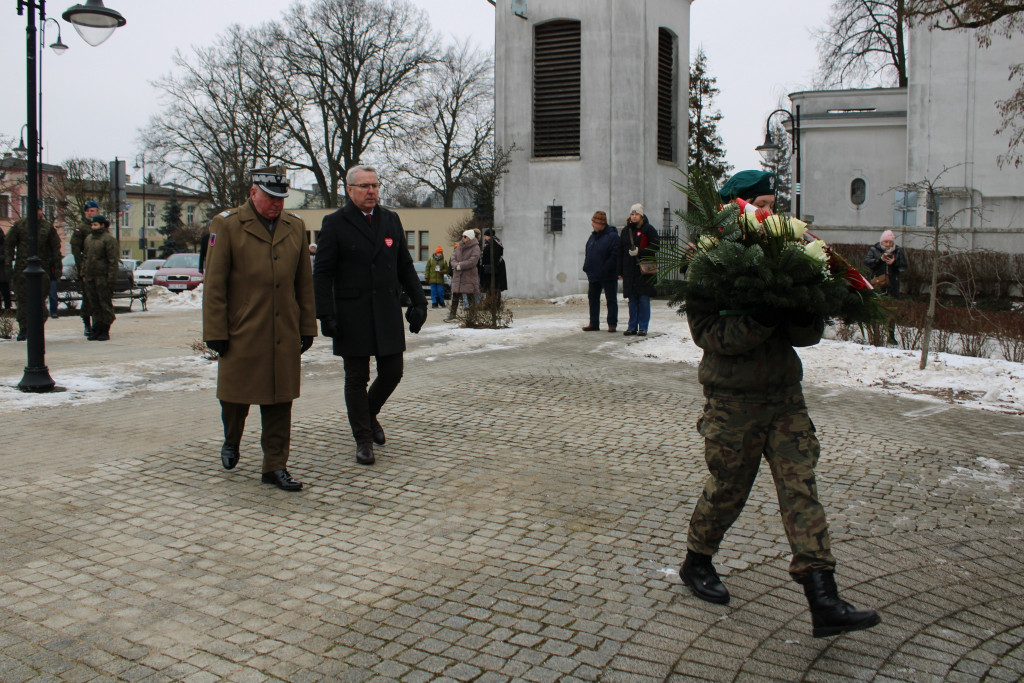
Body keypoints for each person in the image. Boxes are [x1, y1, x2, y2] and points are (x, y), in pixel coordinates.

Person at [678, 169, 880, 639]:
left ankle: (822, 597)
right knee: (729, 489)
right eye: (761, 205)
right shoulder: (710, 264)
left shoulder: (789, 256)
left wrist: (804, 309)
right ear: (737, 209)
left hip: (784, 397)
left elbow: (805, 338)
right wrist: (760, 318)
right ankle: (696, 561)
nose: (770, 214)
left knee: (800, 489)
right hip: (733, 400)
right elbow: (711, 336)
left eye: (773, 205)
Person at [203, 166, 317, 491]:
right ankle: (231, 440)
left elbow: (303, 284)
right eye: (270, 197)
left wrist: (306, 325)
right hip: (242, 329)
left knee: (280, 400)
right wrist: (216, 331)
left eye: (281, 198)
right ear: (253, 192)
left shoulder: (295, 227)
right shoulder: (226, 225)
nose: (276, 204)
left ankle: (275, 466)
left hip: (283, 330)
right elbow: (214, 284)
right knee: (235, 397)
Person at [313, 165, 427, 466]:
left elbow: (404, 264)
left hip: (386, 310)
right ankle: (363, 438)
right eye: (364, 186)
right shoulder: (335, 223)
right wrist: (325, 314)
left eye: (375, 185)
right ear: (349, 190)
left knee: (393, 372)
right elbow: (322, 273)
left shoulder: (390, 219)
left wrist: (420, 302)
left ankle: (369, 413)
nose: (371, 191)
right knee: (356, 378)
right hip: (352, 313)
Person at [4, 204, 61, 341]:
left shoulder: (47, 227)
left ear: (41, 210)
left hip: (42, 271)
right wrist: (8, 265)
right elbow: (9, 245)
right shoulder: (19, 225)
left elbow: (55, 249)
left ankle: (37, 327)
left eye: (38, 209)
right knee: (23, 301)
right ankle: (24, 328)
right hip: (22, 271)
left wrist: (57, 269)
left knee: (39, 301)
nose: (36, 212)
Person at [617, 203, 659, 336]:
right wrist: (620, 270)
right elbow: (621, 251)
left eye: (636, 214)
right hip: (629, 270)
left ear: (641, 216)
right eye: (632, 214)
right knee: (632, 300)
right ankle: (632, 326)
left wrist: (640, 251)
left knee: (643, 299)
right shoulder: (625, 231)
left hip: (643, 270)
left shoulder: (649, 229)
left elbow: (655, 246)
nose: (634, 217)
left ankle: (643, 327)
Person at [865, 230, 908, 343]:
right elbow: (868, 262)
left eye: (890, 242)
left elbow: (904, 267)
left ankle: (891, 335)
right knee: (876, 308)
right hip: (878, 283)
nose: (888, 244)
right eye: (885, 242)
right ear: (881, 242)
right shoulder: (874, 250)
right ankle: (875, 334)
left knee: (891, 310)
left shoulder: (898, 251)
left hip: (892, 284)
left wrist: (894, 263)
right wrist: (880, 260)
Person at [81, 215, 119, 341]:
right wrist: (83, 273)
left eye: (96, 225)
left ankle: (105, 329)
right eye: (92, 225)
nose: (93, 227)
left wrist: (111, 279)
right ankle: (96, 328)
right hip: (91, 277)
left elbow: (113, 261)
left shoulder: (108, 239)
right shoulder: (89, 239)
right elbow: (85, 257)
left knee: (104, 304)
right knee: (94, 304)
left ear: (103, 225)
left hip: (103, 277)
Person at [582, 210, 619, 332]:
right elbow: (589, 252)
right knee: (593, 299)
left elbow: (615, 255)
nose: (592, 224)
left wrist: (605, 268)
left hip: (608, 275)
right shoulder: (592, 236)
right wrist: (586, 266)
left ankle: (612, 324)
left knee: (611, 300)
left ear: (600, 223)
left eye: (594, 222)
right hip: (593, 273)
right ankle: (594, 323)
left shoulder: (612, 236)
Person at [71, 201, 100, 336]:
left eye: (92, 211)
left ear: (97, 212)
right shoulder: (81, 229)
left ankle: (98, 323)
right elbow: (76, 250)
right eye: (88, 211)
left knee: (99, 298)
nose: (90, 213)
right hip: (86, 269)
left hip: (99, 270)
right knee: (88, 298)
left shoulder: (101, 227)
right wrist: (81, 268)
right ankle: (87, 324)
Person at [445, 229, 481, 322]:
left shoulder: (475, 248)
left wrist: (461, 265)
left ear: (470, 237)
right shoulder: (459, 247)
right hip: (458, 275)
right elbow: (453, 257)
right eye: (462, 236)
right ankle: (452, 314)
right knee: (456, 295)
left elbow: (473, 261)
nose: (463, 238)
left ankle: (472, 316)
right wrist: (456, 265)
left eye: (465, 236)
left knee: (470, 295)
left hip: (468, 276)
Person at [479, 228, 507, 304]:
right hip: (491, 268)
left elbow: (495, 256)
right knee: (490, 287)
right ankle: (490, 303)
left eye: (485, 236)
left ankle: (494, 304)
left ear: (489, 236)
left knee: (495, 287)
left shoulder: (494, 244)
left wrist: (491, 266)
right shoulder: (491, 243)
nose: (484, 237)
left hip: (494, 269)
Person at [0, 227, 11, 312]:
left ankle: (7, 308)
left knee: (5, 292)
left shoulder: (5, 244)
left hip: (3, 273)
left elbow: (8, 256)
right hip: (3, 273)